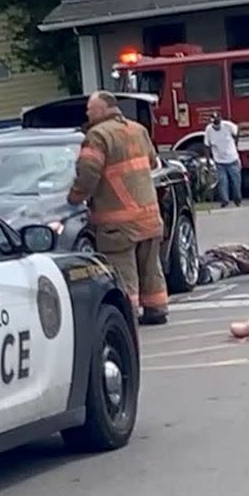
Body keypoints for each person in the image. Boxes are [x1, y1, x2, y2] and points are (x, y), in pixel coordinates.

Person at [67, 91, 169, 325]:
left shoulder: (97, 136)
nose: (87, 113)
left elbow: (88, 173)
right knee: (150, 268)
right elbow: (152, 162)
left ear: (102, 110)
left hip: (118, 221)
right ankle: (157, 309)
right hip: (149, 215)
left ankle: (128, 315)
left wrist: (75, 197)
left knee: (123, 271)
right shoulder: (137, 130)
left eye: (90, 109)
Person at [204, 112, 241, 208]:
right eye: (214, 124)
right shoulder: (209, 130)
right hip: (219, 161)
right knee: (222, 182)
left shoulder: (228, 126)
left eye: (217, 123)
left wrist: (235, 144)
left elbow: (237, 131)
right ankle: (225, 201)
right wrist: (208, 160)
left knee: (235, 181)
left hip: (232, 159)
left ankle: (237, 199)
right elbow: (207, 145)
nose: (216, 126)